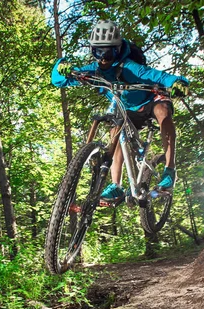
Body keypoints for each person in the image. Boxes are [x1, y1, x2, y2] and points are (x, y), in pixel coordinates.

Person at [51, 20, 189, 204]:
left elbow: (159, 76)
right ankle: (117, 185)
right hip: (127, 109)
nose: (103, 58)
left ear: (117, 50)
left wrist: (177, 83)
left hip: (149, 100)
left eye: (107, 52)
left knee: (164, 110)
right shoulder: (95, 70)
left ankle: (170, 171)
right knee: (116, 129)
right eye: (97, 52)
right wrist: (62, 66)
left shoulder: (131, 67)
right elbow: (58, 80)